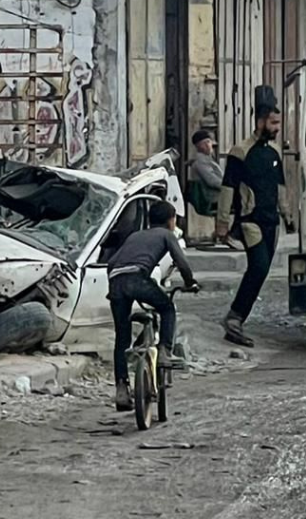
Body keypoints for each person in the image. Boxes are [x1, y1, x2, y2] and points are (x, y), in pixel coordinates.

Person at [107, 199, 196, 412]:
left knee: (122, 336)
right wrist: (190, 282)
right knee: (166, 308)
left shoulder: (135, 235)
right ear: (170, 220)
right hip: (138, 278)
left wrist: (116, 288)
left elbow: (112, 263)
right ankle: (165, 350)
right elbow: (181, 262)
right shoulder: (167, 235)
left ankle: (121, 389)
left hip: (115, 281)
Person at [216, 101, 289, 347]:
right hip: (250, 222)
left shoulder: (275, 152)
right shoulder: (241, 152)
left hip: (272, 222)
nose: (277, 127)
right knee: (257, 267)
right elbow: (228, 188)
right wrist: (222, 223)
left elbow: (280, 187)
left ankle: (235, 320)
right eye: (273, 122)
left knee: (262, 271)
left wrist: (287, 214)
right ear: (260, 122)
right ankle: (234, 317)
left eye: (278, 122)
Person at [188, 129, 223, 216]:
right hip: (212, 199)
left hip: (216, 196)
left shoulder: (208, 160)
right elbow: (212, 181)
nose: (207, 145)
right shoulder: (201, 162)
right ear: (197, 147)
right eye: (203, 143)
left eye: (208, 142)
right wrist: (229, 187)